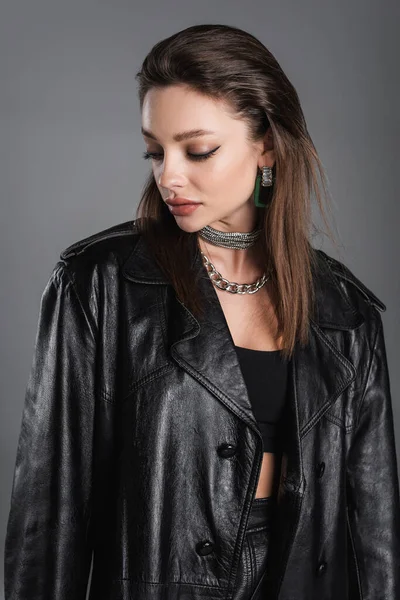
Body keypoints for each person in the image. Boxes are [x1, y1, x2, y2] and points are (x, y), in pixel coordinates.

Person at [4, 23, 400, 600]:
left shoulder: (347, 313)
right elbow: (48, 516)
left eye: (199, 150)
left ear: (266, 143)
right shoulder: (99, 285)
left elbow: (376, 541)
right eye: (155, 152)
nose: (169, 176)